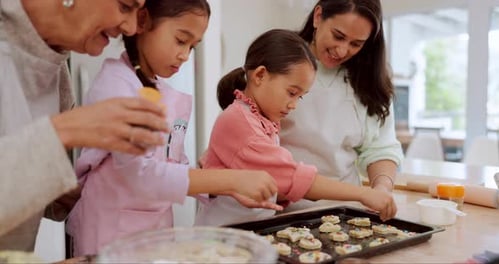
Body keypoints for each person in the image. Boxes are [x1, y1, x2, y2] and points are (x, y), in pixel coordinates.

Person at [66, 1, 280, 256]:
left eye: (192, 46)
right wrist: (230, 179)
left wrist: (223, 188)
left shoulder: (164, 93)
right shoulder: (115, 85)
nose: (185, 55)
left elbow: (172, 163)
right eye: (181, 40)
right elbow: (142, 174)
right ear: (142, 21)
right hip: (108, 235)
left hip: (153, 232)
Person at [0, 0, 171, 251]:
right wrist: (65, 130)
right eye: (125, 6)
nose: (132, 28)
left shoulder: (54, 65)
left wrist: (87, 197)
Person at [194, 28, 397, 227]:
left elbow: (276, 181)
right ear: (260, 75)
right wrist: (363, 193)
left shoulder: (261, 118)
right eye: (291, 93)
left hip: (249, 229)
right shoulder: (239, 122)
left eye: (300, 96)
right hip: (221, 236)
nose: (294, 105)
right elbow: (292, 177)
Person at [279, 0, 404, 211]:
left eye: (356, 44)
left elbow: (381, 148)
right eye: (338, 36)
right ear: (318, 17)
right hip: (281, 207)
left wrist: (381, 187)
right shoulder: (280, 61)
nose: (342, 50)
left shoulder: (370, 82)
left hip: (345, 209)